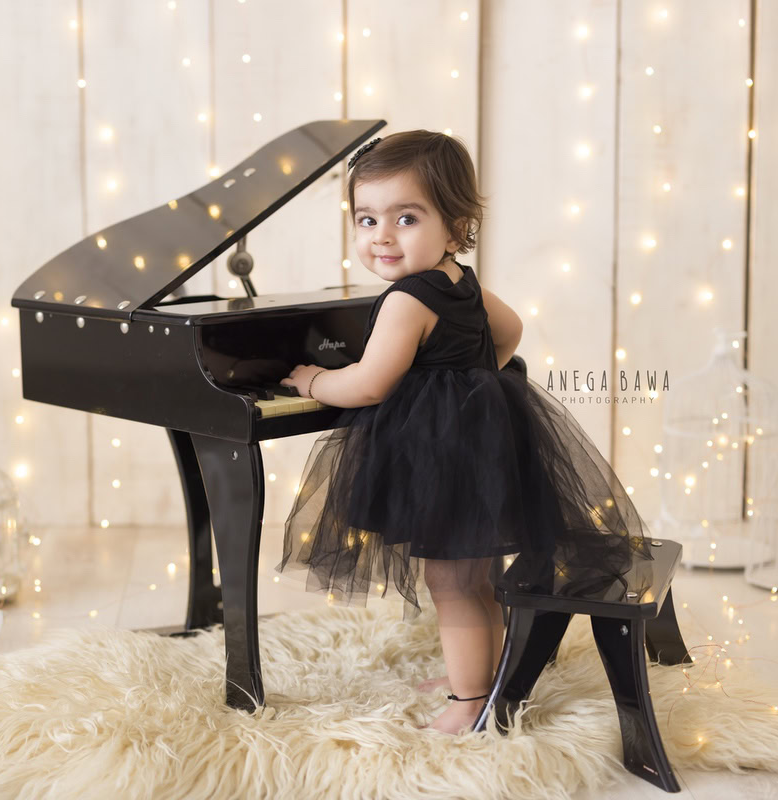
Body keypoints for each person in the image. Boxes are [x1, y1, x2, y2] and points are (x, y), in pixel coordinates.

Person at [274, 131, 649, 736]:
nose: (382, 236)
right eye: (367, 219)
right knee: (476, 578)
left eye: (406, 217)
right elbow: (510, 329)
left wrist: (316, 379)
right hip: (479, 449)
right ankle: (488, 677)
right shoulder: (460, 281)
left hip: (442, 459)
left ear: (455, 225)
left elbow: (369, 384)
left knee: (451, 583)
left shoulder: (405, 300)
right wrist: (474, 384)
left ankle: (470, 701)